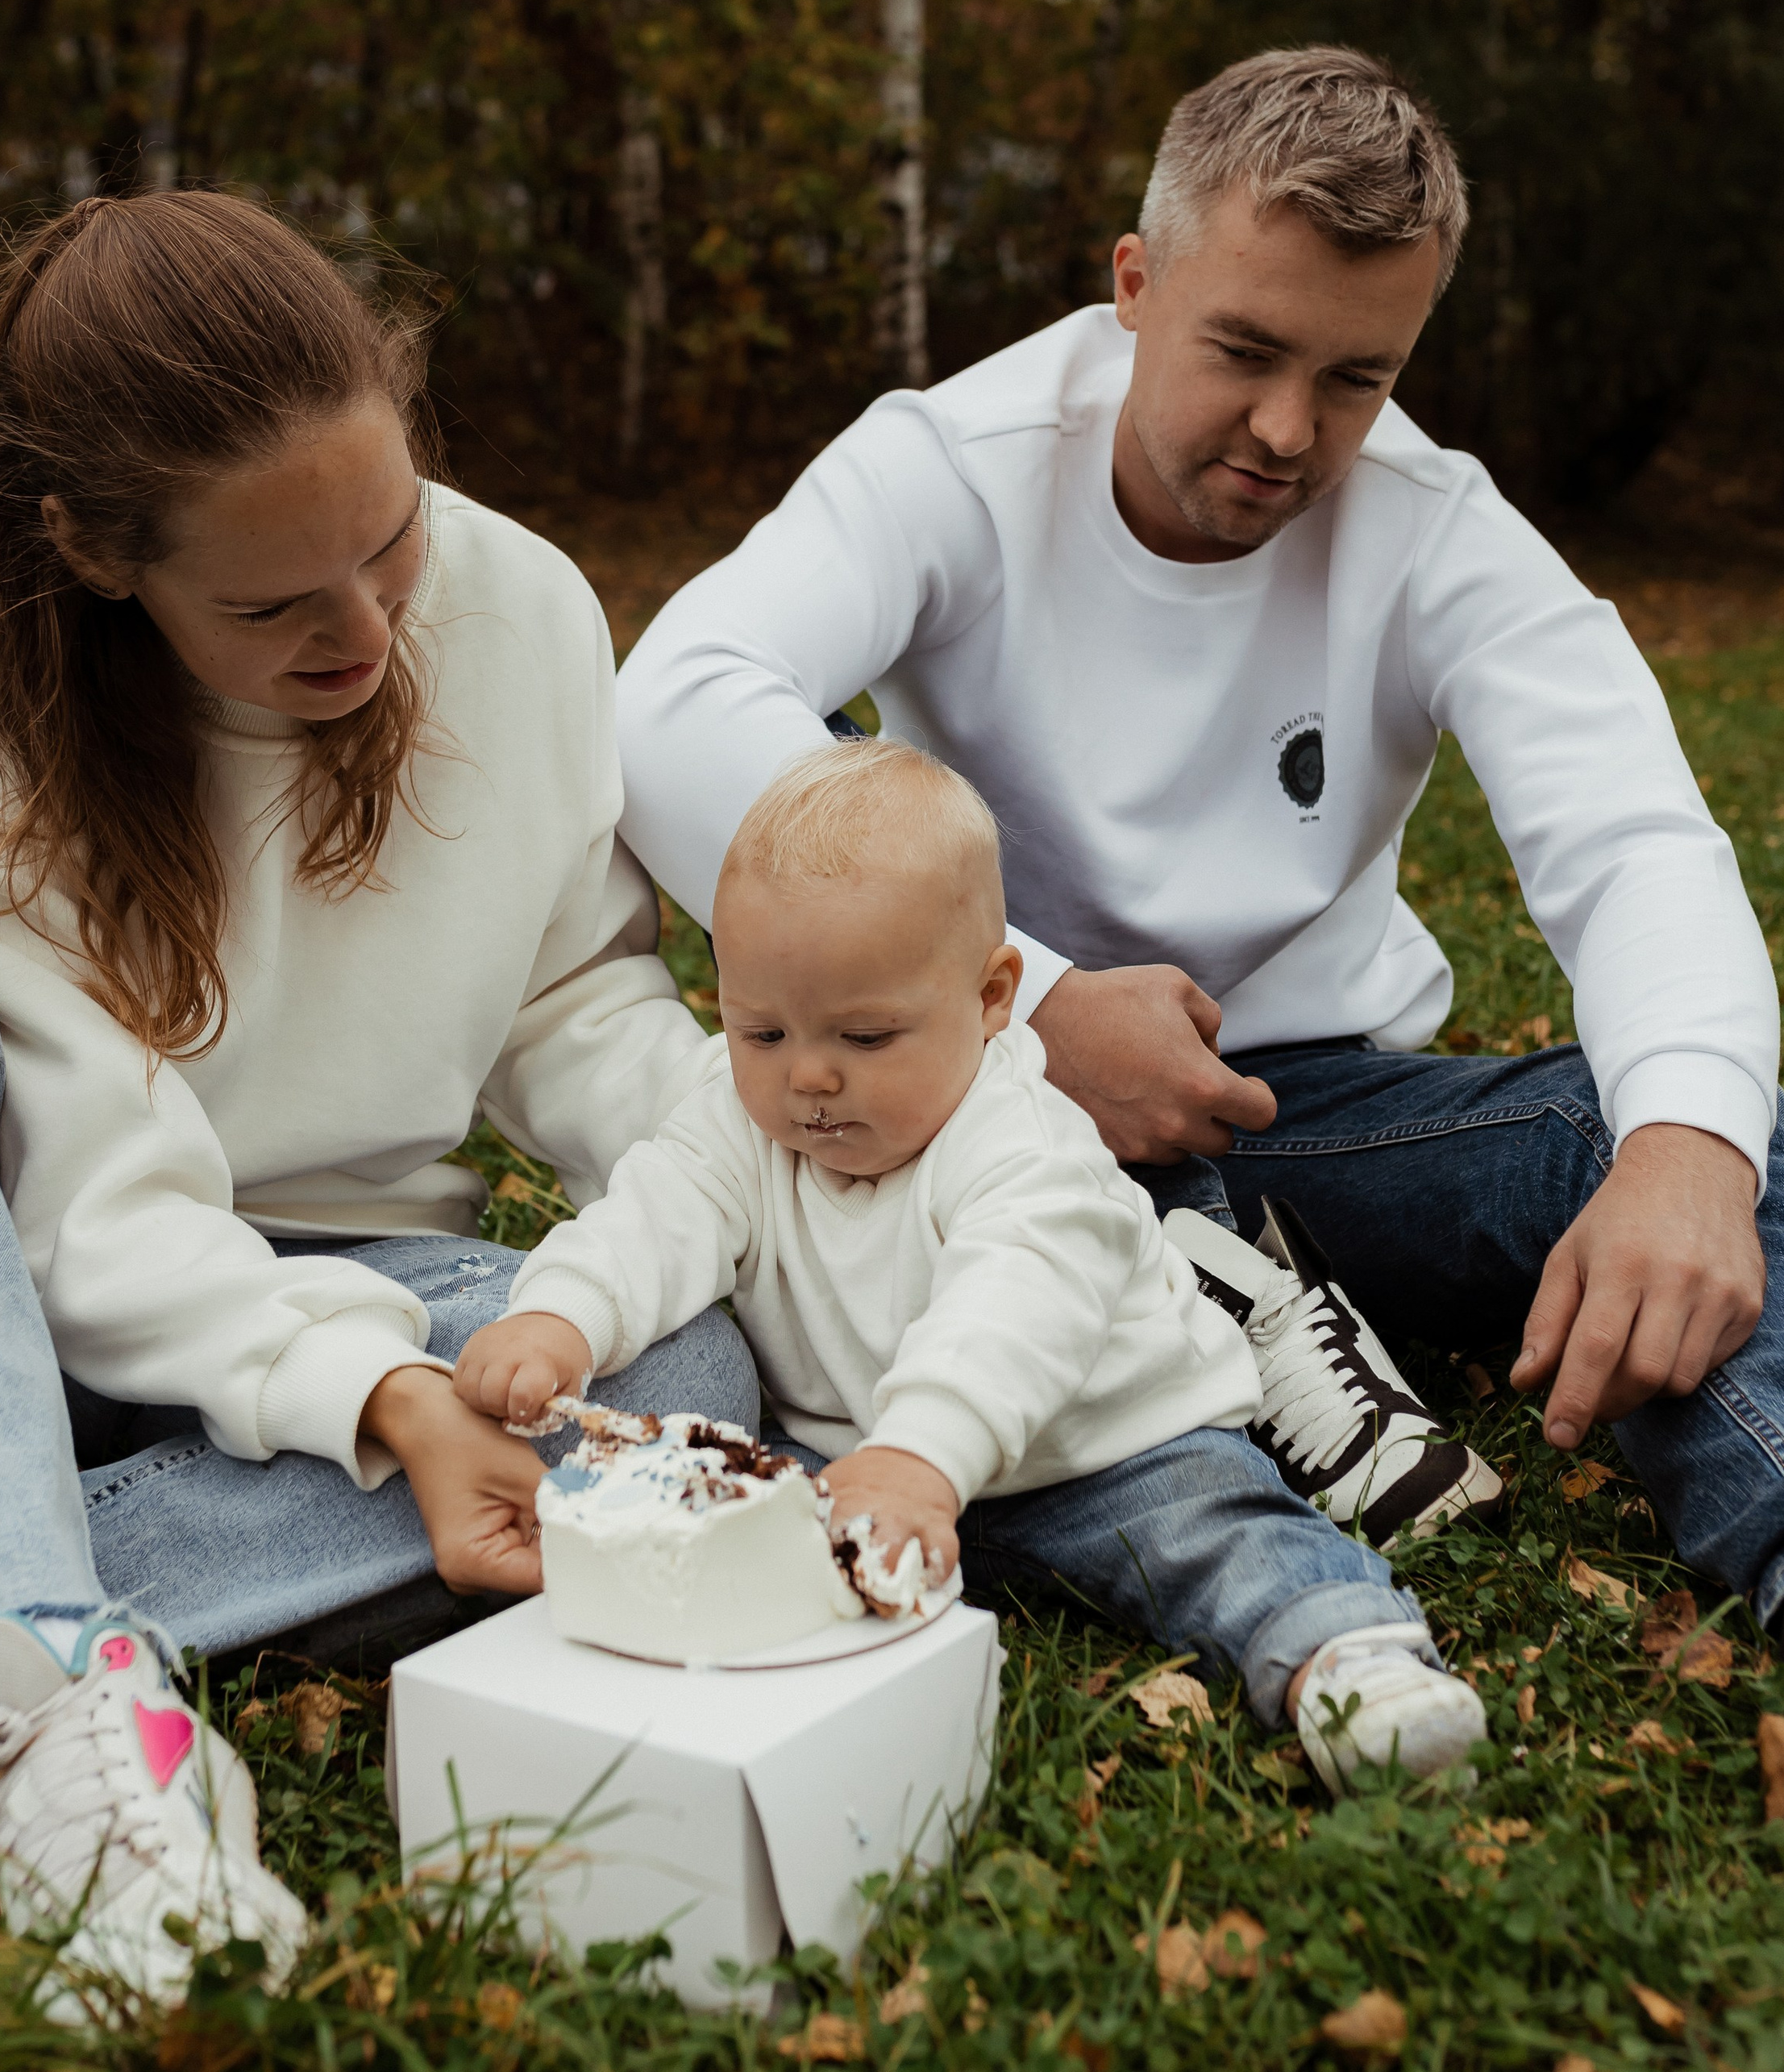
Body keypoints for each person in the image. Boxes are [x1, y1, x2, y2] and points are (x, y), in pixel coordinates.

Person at [0, 189, 756, 2012]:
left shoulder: (521, 609)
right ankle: (2, 1660)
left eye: (391, 540)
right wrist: (381, 1401)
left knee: (675, 1376)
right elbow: (97, 1218)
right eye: (276, 603)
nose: (363, 630)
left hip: (355, 1285)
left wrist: (762, 1160)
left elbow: (577, 997)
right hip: (10, 1316)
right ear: (98, 553)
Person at [615, 46, 1784, 1643]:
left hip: (1312, 1108)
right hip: (967, 1116)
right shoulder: (949, 464)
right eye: (1240, 348)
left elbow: (1634, 837)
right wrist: (1027, 1006)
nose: (1288, 429)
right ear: (1132, 281)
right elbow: (673, 703)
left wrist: (1682, 1157)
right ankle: (1218, 1313)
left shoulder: (1434, 528)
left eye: (1355, 379)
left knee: (1701, 1144)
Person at [453, 739, 1488, 1787]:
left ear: (993, 997)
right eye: (761, 1031)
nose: (807, 1077)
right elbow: (654, 1215)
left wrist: (925, 1458)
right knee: (735, 1515)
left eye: (864, 1037)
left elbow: (1009, 1315)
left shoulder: (1022, 1147)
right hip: (862, 1464)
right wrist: (563, 1316)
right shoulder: (741, 1119)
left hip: (1103, 1452)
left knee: (1217, 1537)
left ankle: (1348, 1656)